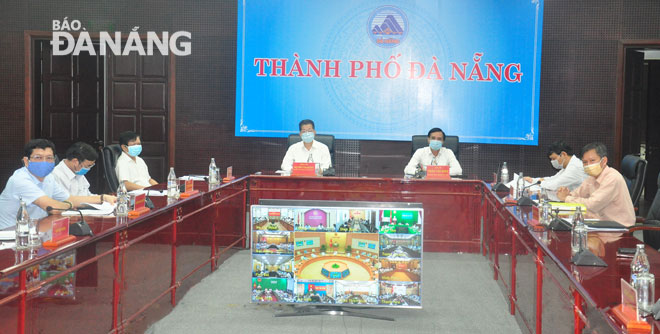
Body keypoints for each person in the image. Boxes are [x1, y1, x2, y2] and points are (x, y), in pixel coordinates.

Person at [0, 139, 116, 229]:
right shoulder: (20, 180)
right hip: (10, 235)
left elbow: (70, 198)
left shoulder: (48, 177)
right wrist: (69, 205)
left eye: (49, 158)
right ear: (26, 161)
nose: (44, 162)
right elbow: (52, 207)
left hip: (36, 229)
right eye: (38, 158)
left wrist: (102, 198)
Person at [557, 142, 635, 226]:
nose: (588, 165)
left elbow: (592, 205)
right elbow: (578, 193)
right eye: (585, 162)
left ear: (604, 161)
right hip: (600, 222)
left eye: (592, 161)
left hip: (617, 227)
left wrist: (566, 198)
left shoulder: (612, 178)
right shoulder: (593, 176)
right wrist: (567, 193)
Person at [51, 142, 116, 203]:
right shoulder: (55, 175)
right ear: (75, 161)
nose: (89, 169)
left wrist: (104, 200)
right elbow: (66, 201)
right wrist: (101, 198)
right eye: (88, 166)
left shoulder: (77, 172)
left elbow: (87, 195)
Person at [523, 140, 588, 197]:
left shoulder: (575, 167)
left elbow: (554, 185)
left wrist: (538, 183)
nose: (552, 162)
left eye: (554, 159)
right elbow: (553, 178)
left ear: (563, 154)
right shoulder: (569, 165)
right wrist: (532, 180)